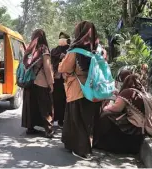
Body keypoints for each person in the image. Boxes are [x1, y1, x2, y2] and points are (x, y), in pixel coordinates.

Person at [58, 21, 102, 160]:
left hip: (78, 90)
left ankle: (82, 150)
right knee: (88, 120)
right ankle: (74, 144)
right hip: (95, 90)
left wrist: (63, 65)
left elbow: (63, 68)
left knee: (77, 120)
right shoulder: (99, 49)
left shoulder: (75, 51)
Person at [93, 74, 146, 154]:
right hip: (141, 126)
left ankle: (100, 144)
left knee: (105, 116)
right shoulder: (142, 93)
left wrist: (106, 107)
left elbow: (117, 108)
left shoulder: (128, 92)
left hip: (133, 124)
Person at [21, 29, 55, 138]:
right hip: (41, 82)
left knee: (31, 105)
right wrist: (51, 83)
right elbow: (47, 68)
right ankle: (48, 130)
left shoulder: (29, 49)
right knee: (45, 106)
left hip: (29, 82)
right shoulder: (43, 49)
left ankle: (30, 128)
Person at [50, 32, 70, 128]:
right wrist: (59, 57)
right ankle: (55, 118)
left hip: (68, 79)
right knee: (56, 99)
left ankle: (63, 120)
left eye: (64, 38)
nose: (62, 40)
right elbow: (51, 61)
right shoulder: (54, 50)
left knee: (65, 100)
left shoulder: (71, 51)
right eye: (60, 38)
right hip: (57, 79)